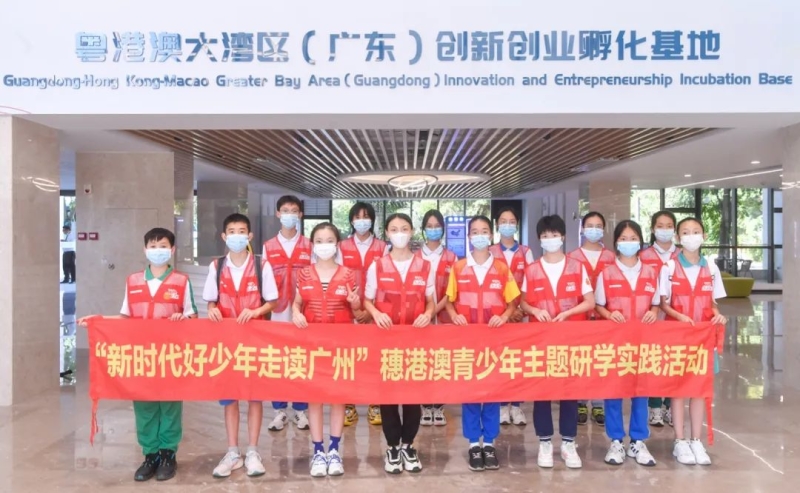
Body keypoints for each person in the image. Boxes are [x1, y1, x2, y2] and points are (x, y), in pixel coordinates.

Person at [78, 228, 197, 482]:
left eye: (162, 246)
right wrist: (98, 321)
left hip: (170, 355)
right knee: (144, 405)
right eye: (153, 246)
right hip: (141, 356)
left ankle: (168, 454)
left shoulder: (181, 281)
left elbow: (193, 316)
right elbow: (125, 317)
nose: (157, 251)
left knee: (170, 405)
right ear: (145, 250)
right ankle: (150, 454)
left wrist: (183, 318)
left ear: (172, 250)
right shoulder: (133, 281)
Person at [205, 214, 279, 479]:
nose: (237, 235)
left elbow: (272, 301)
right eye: (232, 231)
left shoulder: (261, 265)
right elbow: (210, 300)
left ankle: (253, 452)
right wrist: (212, 309)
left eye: (242, 231)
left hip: (254, 341)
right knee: (230, 398)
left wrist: (256, 311)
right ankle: (232, 452)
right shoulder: (217, 266)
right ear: (224, 236)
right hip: (226, 343)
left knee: (254, 396)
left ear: (249, 236)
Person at [519, 215, 595, 470]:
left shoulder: (577, 267)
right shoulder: (532, 269)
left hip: (570, 339)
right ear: (539, 239)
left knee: (569, 391)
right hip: (541, 339)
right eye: (545, 236)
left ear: (563, 237)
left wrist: (568, 313)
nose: (550, 239)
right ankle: (544, 441)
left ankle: (568, 442)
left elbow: (590, 301)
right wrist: (534, 310)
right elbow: (523, 302)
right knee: (542, 391)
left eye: (554, 235)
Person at [445, 215, 520, 472]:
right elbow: (449, 301)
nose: (480, 235)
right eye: (475, 231)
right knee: (470, 393)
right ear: (468, 237)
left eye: (484, 231)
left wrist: (504, 316)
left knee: (492, 392)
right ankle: (472, 445)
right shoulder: (458, 267)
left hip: (494, 341)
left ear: (491, 236)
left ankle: (488, 443)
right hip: (467, 342)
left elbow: (512, 303)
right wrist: (454, 316)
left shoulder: (501, 268)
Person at [363, 213, 435, 474]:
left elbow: (430, 301)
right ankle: (393, 447)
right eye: (394, 229)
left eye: (404, 228)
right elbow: (367, 300)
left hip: (416, 339)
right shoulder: (377, 266)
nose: (400, 233)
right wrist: (376, 313)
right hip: (386, 339)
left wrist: (428, 314)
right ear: (387, 233)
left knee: (413, 395)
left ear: (412, 231)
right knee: (389, 395)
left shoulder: (425, 266)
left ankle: (408, 445)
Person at [292, 222, 361, 477]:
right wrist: (296, 313)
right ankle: (318, 451)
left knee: (337, 398)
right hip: (312, 345)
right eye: (319, 241)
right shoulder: (304, 274)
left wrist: (355, 303)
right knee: (315, 398)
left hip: (340, 346)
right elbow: (297, 303)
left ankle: (334, 450)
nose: (324, 245)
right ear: (312, 245)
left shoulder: (348, 274)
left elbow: (357, 311)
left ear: (337, 244)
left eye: (329, 240)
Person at [659, 217, 727, 466]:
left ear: (704, 236)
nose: (691, 236)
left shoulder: (712, 268)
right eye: (685, 232)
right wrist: (679, 317)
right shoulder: (668, 267)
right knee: (678, 390)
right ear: (678, 238)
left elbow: (713, 302)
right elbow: (663, 303)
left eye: (696, 231)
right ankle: (679, 440)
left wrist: (718, 315)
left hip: (703, 339)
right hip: (677, 336)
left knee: (699, 389)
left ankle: (696, 440)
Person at [594, 220, 659, 467]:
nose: (628, 243)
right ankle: (616, 441)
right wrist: (609, 314)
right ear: (616, 243)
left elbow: (656, 302)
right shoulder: (607, 273)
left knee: (640, 391)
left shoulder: (651, 272)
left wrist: (653, 311)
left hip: (643, 341)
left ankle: (638, 441)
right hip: (616, 342)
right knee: (614, 391)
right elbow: (599, 304)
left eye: (633, 238)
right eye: (623, 238)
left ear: (640, 241)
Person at [337, 202, 389, 427]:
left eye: (366, 216)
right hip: (347, 311)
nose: (361, 221)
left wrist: (369, 311)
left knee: (374, 358)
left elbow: (385, 282)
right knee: (348, 358)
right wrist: (355, 309)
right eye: (357, 217)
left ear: (372, 220)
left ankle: (374, 403)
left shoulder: (382, 247)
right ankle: (348, 404)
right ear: (351, 220)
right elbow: (338, 278)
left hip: (374, 312)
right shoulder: (341, 246)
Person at [262, 195, 311, 432]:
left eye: (294, 210)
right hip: (278, 311)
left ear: (300, 214)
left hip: (303, 312)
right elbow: (264, 279)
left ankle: (301, 410)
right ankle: (279, 411)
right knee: (279, 359)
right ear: (278, 214)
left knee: (302, 358)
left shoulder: (310, 245)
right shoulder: (268, 246)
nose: (289, 214)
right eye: (285, 210)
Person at [568, 211, 615, 426]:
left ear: (603, 229)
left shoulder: (611, 257)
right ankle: (580, 401)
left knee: (601, 360)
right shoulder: (572, 257)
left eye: (598, 226)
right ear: (582, 229)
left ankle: (598, 403)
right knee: (581, 359)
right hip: (580, 317)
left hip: (605, 317)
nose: (593, 230)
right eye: (589, 226)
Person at [488, 207, 532, 426]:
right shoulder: (489, 251)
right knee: (499, 360)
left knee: (518, 361)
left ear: (517, 224)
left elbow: (530, 282)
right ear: (497, 225)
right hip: (498, 316)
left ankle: (516, 405)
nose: (507, 225)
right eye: (503, 221)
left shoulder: (526, 251)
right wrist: (506, 312)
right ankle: (501, 405)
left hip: (520, 316)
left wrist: (520, 309)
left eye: (511, 221)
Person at [417, 209, 457, 427]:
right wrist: (426, 313)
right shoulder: (415, 257)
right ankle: (425, 405)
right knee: (423, 360)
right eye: (429, 226)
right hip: (420, 318)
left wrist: (433, 310)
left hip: (443, 316)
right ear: (423, 229)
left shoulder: (452, 257)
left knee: (442, 360)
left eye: (437, 226)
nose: (433, 230)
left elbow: (452, 291)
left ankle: (439, 406)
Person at [640, 210, 680, 427]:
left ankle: (670, 406)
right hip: (651, 317)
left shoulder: (682, 255)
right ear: (653, 229)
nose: (664, 230)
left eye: (669, 226)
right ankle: (654, 407)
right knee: (655, 361)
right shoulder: (643, 256)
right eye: (660, 226)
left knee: (674, 361)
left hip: (677, 317)